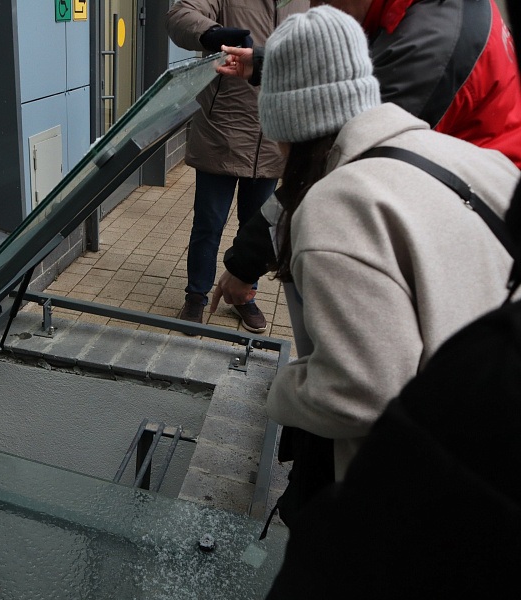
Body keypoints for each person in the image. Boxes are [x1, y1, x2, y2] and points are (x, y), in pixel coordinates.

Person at [218, 5, 519, 480]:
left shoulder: (334, 208)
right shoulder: (474, 159)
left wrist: (282, 390)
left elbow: (358, 395)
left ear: (285, 128)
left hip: (431, 487)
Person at [211, 0, 521, 311]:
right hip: (469, 202)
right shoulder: (421, 14)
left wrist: (245, 263)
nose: (315, 6)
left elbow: (332, 165)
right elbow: (359, 69)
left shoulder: (430, 42)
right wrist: (269, 64)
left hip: (478, 232)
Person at [165, 0, 308, 333]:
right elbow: (180, 15)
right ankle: (196, 296)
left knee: (255, 227)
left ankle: (244, 294)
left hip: (274, 135)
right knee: (208, 224)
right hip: (223, 129)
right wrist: (212, 33)